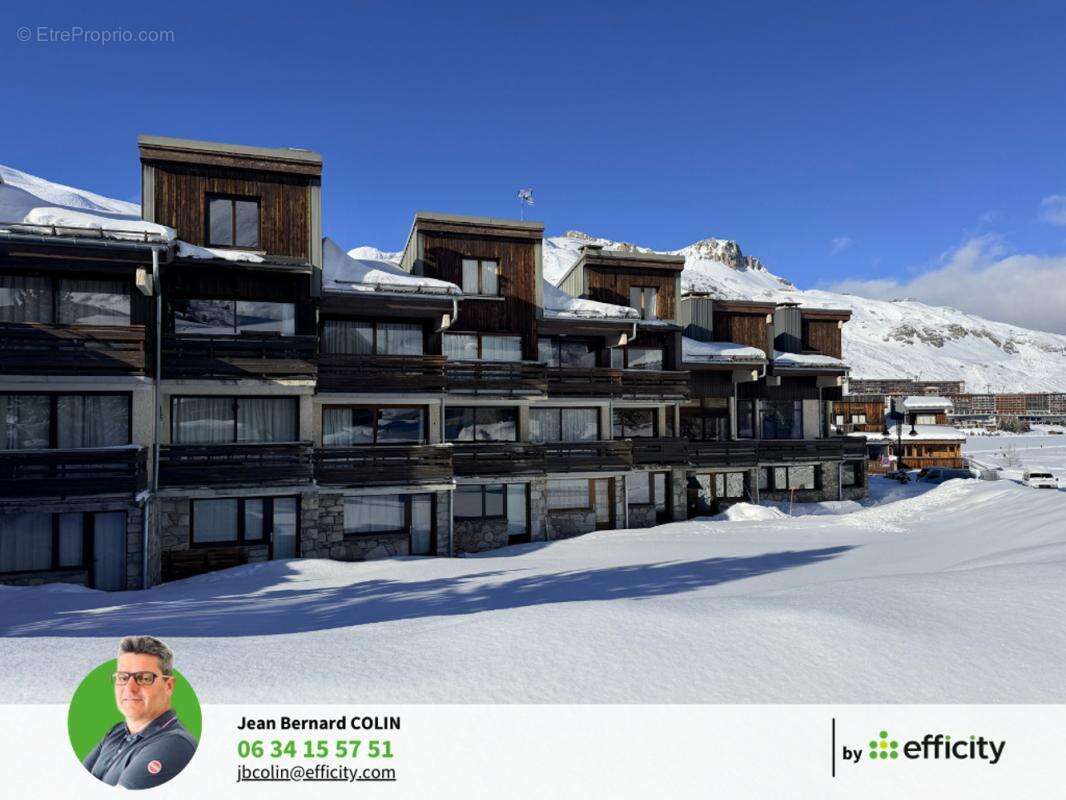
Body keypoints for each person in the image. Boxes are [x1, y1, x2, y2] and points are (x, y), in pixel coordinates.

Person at [82, 636, 198, 788]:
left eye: (144, 678)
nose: (130, 688)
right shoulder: (116, 732)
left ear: (168, 686)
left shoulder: (175, 744)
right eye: (123, 677)